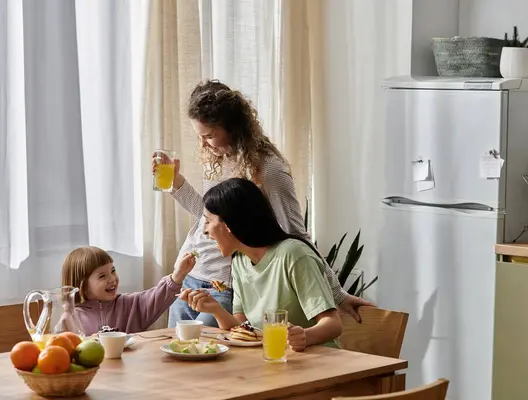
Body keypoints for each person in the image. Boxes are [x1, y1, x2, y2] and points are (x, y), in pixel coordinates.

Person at [157, 79, 372, 328]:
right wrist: (176, 183)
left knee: (208, 359)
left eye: (210, 136)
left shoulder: (269, 171)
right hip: (190, 275)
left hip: (223, 284)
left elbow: (295, 233)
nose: (204, 144)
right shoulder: (219, 157)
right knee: (179, 357)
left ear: (233, 127)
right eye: (201, 137)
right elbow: (208, 216)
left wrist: (336, 293)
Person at [179, 178, 343, 351]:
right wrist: (215, 309)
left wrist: (304, 336)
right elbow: (242, 329)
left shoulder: (293, 254)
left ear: (227, 225)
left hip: (317, 361)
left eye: (207, 221)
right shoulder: (239, 262)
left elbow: (333, 325)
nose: (205, 230)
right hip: (273, 360)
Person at [61, 246, 196, 336]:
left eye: (113, 271)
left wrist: (178, 275)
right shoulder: (71, 318)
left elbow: (157, 296)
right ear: (82, 286)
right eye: (102, 276)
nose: (112, 279)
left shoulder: (130, 305)